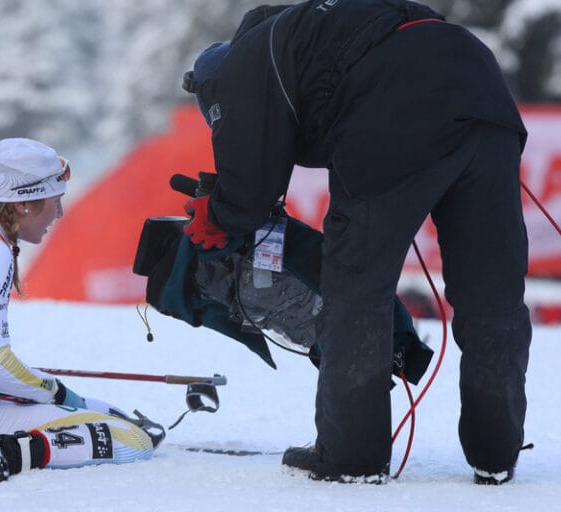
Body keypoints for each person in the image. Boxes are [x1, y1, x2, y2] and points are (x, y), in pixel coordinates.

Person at [182, 0, 531, 484]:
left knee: (355, 289)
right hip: (484, 94)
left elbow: (249, 189)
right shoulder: (314, 32)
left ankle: (351, 456)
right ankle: (496, 452)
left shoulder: (239, 63)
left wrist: (216, 213)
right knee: (492, 292)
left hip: (393, 108)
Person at [0, 138, 160, 484]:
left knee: (110, 413)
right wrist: (56, 391)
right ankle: (10, 452)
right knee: (135, 440)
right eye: (55, 200)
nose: (60, 213)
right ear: (24, 204)